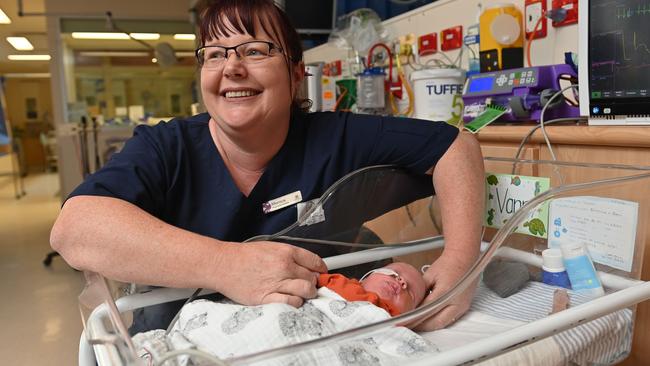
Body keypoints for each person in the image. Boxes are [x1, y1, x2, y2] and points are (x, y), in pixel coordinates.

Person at [50, 0, 484, 332]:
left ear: (297, 73)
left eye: (255, 50)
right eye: (215, 54)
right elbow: (75, 229)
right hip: (180, 339)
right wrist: (226, 265)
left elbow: (456, 147)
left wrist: (460, 263)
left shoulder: (335, 137)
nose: (232, 68)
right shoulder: (169, 148)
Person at [319, 262, 428, 316]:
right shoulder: (341, 282)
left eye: (410, 293)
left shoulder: (395, 321)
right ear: (366, 278)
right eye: (394, 273)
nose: (402, 281)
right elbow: (315, 280)